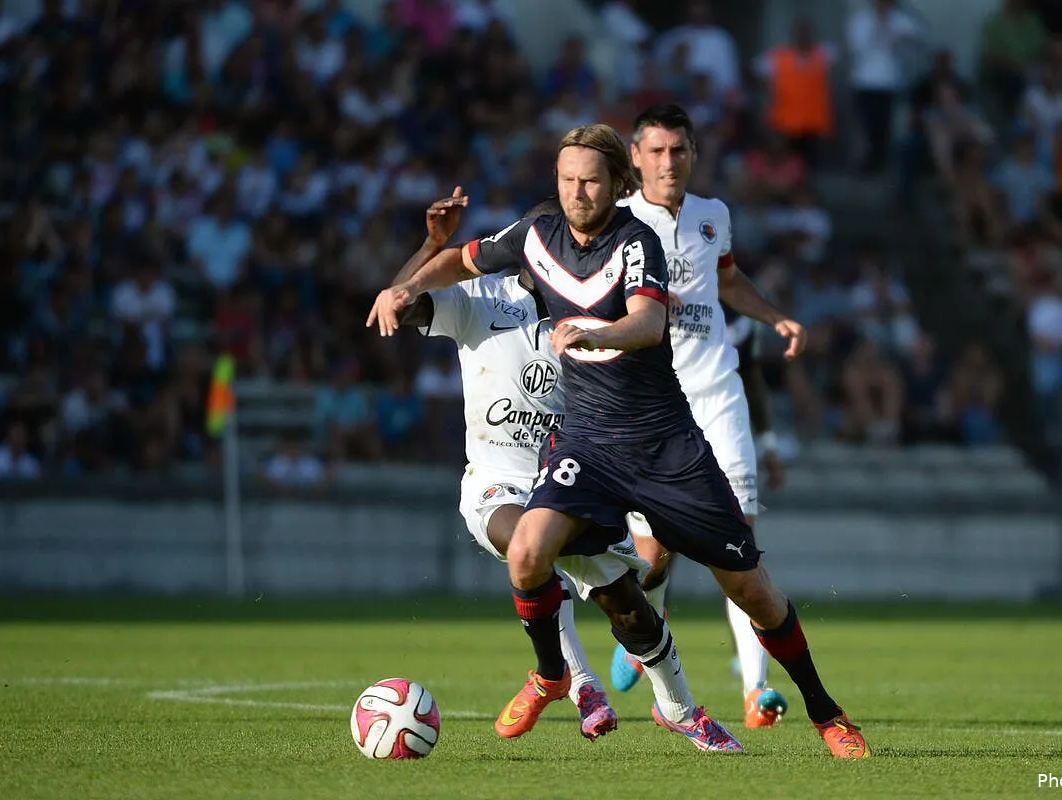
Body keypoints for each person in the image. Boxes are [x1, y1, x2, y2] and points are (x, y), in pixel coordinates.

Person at [372, 123, 869, 758]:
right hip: (587, 447)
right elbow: (460, 260)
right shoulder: (535, 235)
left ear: (617, 184)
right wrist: (409, 283)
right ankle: (556, 675)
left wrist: (595, 333)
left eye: (590, 181)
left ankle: (825, 711)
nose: (577, 192)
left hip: (663, 444)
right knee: (527, 551)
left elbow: (648, 323)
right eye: (567, 180)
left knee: (753, 593)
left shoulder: (636, 242)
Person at [376, 191, 738, 751]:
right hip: (496, 480)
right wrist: (431, 246)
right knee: (527, 544)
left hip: (575, 480)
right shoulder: (478, 296)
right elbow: (400, 303)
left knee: (629, 609)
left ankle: (681, 711)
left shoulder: (598, 310)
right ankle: (573, 681)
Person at [614, 103, 805, 731]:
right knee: (653, 556)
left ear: (694, 154)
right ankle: (645, 633)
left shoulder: (713, 216)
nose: (669, 162)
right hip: (652, 405)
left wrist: (774, 315)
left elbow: (727, 281)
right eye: (657, 151)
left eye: (679, 150)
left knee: (741, 543)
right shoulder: (618, 223)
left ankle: (756, 690)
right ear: (636, 157)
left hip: (718, 396)